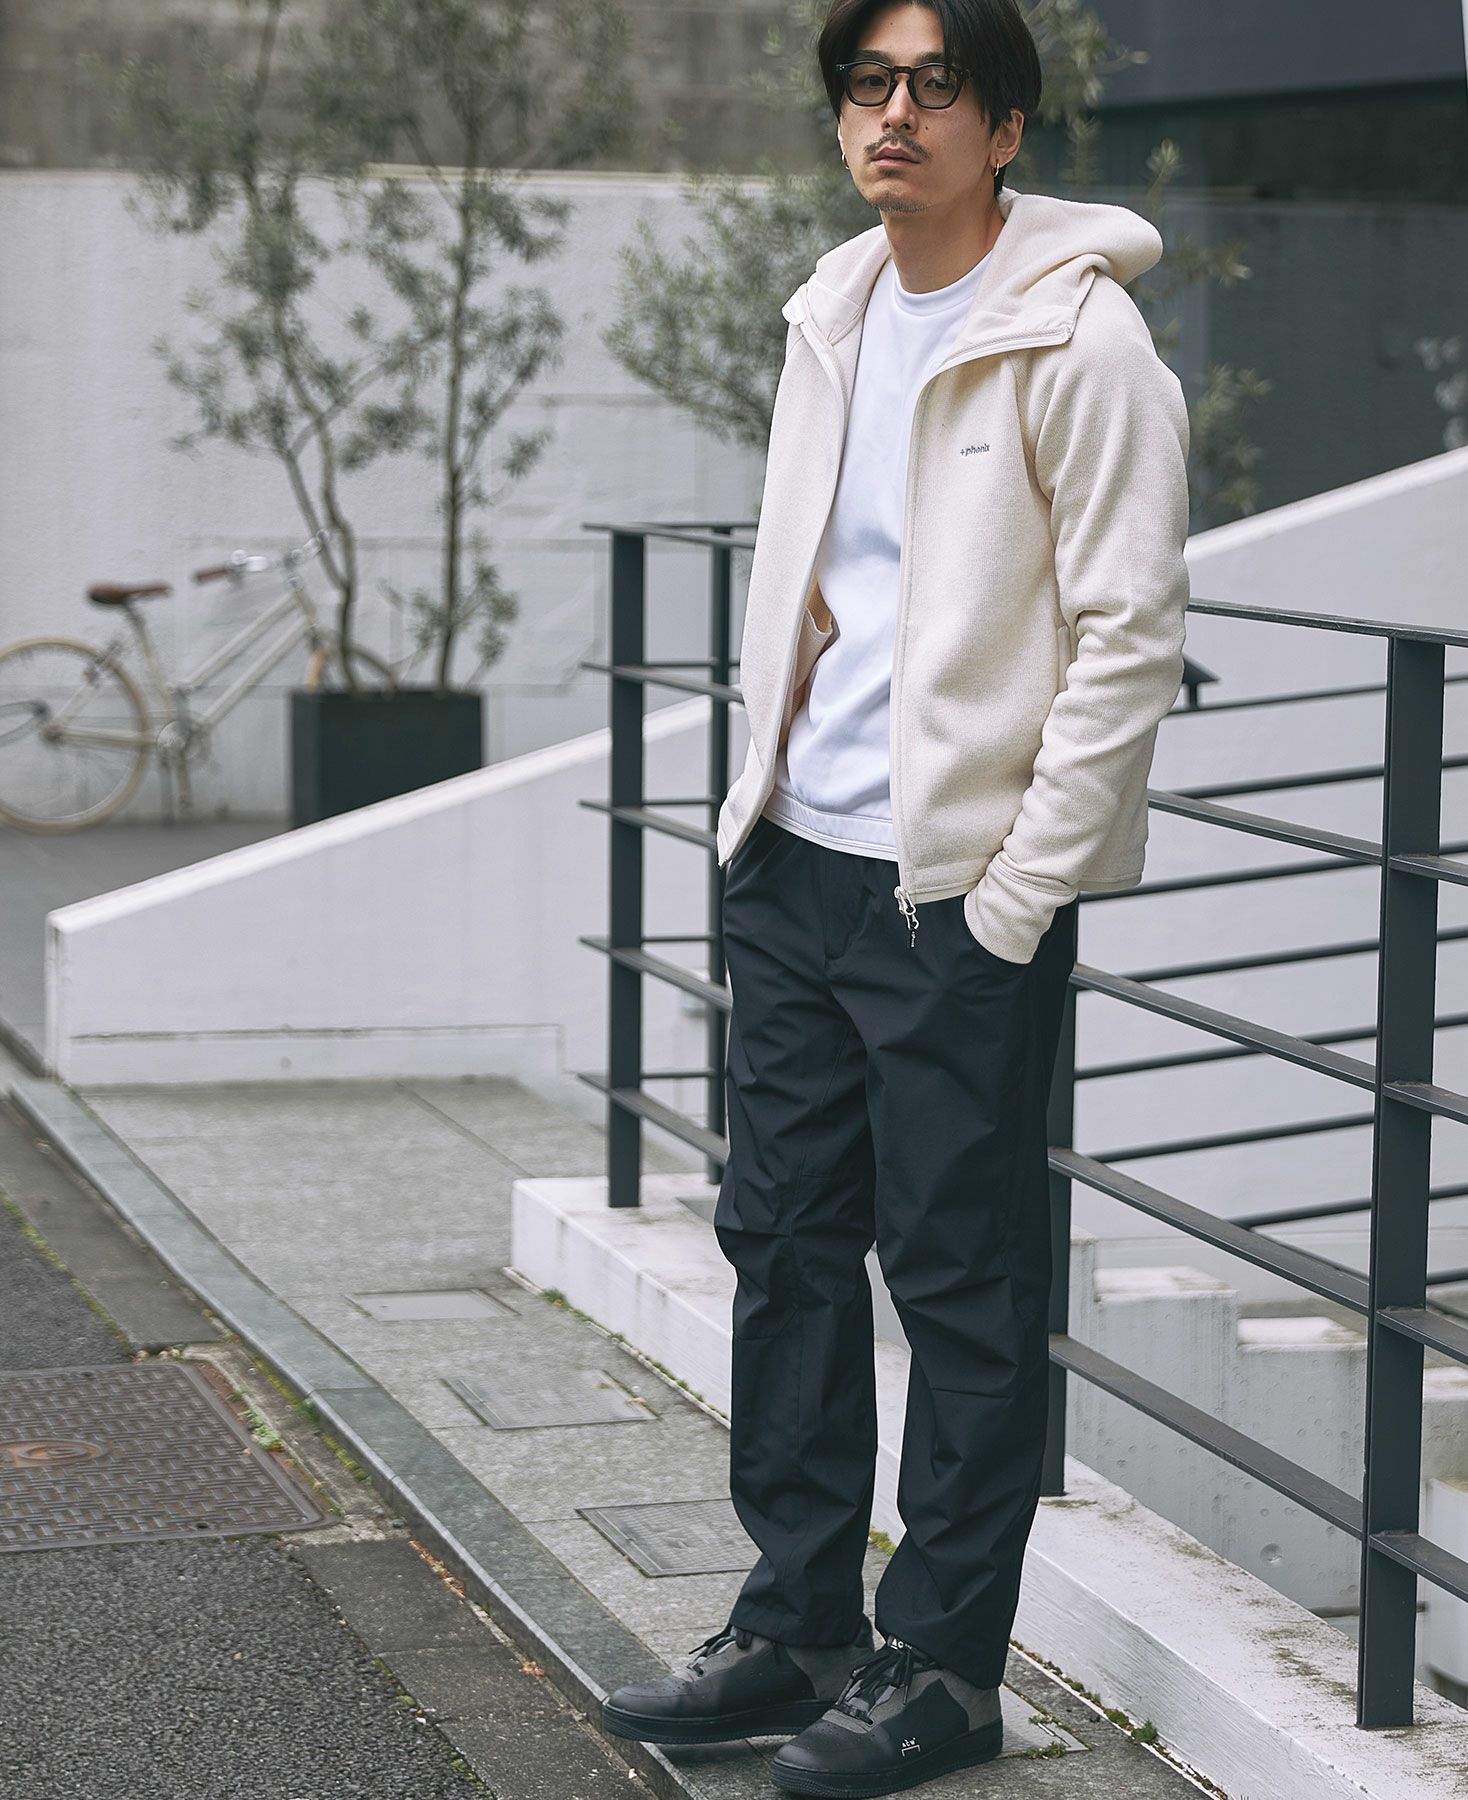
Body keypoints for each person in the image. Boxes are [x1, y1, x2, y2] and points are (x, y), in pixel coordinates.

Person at [603, 0, 1191, 1792]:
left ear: (1004, 129)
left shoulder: (1083, 341)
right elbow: (826, 580)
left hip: (953, 896)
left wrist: (1019, 894)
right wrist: (755, 805)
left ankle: (941, 1667)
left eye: (940, 86)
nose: (897, 113)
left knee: (958, 1277)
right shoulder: (837, 310)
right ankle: (796, 1623)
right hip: (794, 859)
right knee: (782, 1249)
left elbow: (1129, 639)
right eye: (870, 82)